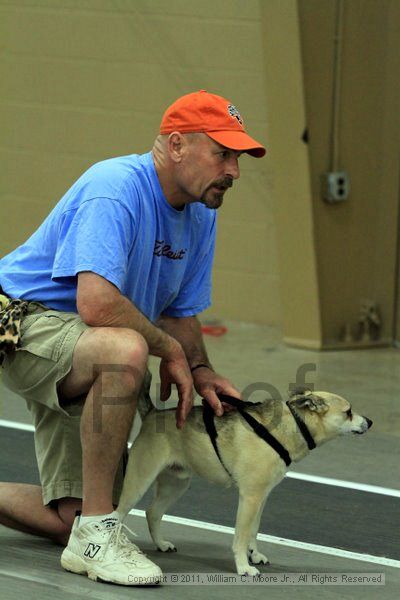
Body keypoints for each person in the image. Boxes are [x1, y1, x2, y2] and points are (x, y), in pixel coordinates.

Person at [0, 90, 265, 585]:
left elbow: (180, 311)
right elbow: (97, 304)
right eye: (223, 153)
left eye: (238, 157)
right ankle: (100, 537)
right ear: (177, 144)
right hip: (20, 322)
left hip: (83, 342)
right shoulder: (115, 187)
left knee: (67, 519)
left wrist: (200, 368)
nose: (234, 170)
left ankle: (86, 526)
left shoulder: (202, 213)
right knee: (127, 351)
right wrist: (167, 351)